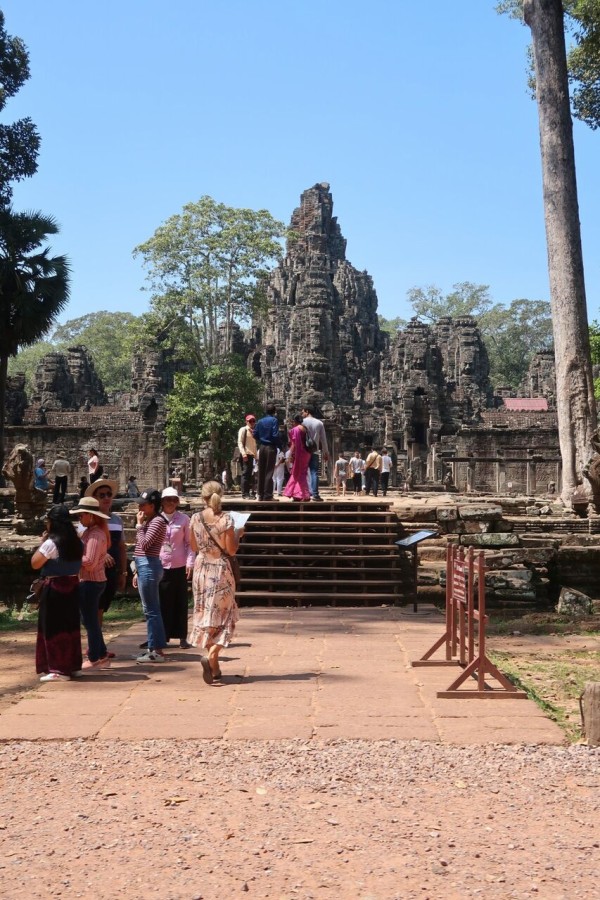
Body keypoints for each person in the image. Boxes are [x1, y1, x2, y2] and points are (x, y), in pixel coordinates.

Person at [189, 481, 241, 684]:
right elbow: (231, 550)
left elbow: (193, 545)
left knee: (205, 613)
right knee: (225, 615)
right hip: (220, 570)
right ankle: (212, 654)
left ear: (203, 498)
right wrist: (238, 534)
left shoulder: (195, 518)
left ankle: (214, 667)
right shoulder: (225, 519)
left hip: (201, 569)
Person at [32, 505, 83, 682]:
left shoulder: (51, 543)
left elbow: (35, 563)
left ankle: (58, 668)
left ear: (52, 523)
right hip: (73, 586)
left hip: (55, 587)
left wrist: (42, 543)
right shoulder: (78, 542)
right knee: (71, 626)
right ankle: (74, 666)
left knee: (53, 627)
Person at [84, 478, 127, 650]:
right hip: (93, 571)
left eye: (109, 494)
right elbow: (82, 545)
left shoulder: (117, 520)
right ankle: (95, 646)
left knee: (101, 608)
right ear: (95, 498)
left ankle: (97, 645)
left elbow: (122, 548)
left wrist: (123, 572)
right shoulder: (88, 520)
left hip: (112, 571)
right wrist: (103, 554)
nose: (106, 498)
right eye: (102, 495)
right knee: (95, 608)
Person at [70, 496, 111, 670]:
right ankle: (101, 654)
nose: (80, 519)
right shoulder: (90, 532)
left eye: (81, 515)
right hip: (90, 581)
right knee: (90, 620)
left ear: (91, 515)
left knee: (90, 621)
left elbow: (90, 562)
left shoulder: (95, 535)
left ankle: (94, 656)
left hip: (91, 581)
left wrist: (72, 558)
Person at [132, 489, 168, 663]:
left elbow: (145, 544)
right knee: (150, 609)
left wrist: (139, 526)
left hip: (149, 566)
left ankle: (157, 650)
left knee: (152, 610)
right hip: (144, 566)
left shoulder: (157, 522)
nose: (139, 507)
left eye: (143, 504)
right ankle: (153, 648)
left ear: (153, 506)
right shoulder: (152, 520)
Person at [157, 487, 195, 649]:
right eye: (168, 500)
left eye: (174, 500)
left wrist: (190, 562)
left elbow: (190, 543)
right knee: (162, 602)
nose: (171, 503)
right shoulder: (156, 520)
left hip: (179, 565)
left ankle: (182, 637)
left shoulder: (184, 519)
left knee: (180, 602)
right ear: (162, 502)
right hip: (160, 566)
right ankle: (162, 635)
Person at [253, 402, 281, 501]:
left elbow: (254, 434)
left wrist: (261, 438)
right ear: (274, 411)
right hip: (270, 447)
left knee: (261, 470)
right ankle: (268, 495)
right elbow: (275, 435)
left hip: (262, 447)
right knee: (269, 471)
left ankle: (260, 494)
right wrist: (279, 445)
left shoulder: (260, 421)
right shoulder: (274, 420)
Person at [301, 406, 330, 501]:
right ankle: (315, 494)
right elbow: (323, 440)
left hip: (304, 451)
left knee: (303, 473)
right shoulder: (319, 423)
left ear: (307, 411)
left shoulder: (302, 422)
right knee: (314, 473)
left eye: (303, 412)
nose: (302, 414)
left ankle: (303, 493)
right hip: (315, 451)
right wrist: (326, 452)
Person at [283, 415, 312, 501]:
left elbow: (294, 444)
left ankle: (302, 495)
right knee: (302, 473)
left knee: (297, 474)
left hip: (299, 454)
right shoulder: (305, 428)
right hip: (306, 454)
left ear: (294, 421)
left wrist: (290, 455)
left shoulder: (295, 430)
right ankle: (298, 494)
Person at [237, 414, 257, 499]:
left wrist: (256, 456)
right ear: (246, 422)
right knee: (245, 474)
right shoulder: (243, 429)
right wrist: (243, 453)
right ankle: (244, 494)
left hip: (252, 455)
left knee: (250, 475)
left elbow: (254, 445)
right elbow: (240, 442)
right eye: (250, 421)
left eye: (253, 421)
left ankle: (249, 493)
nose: (252, 423)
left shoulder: (254, 431)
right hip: (245, 454)